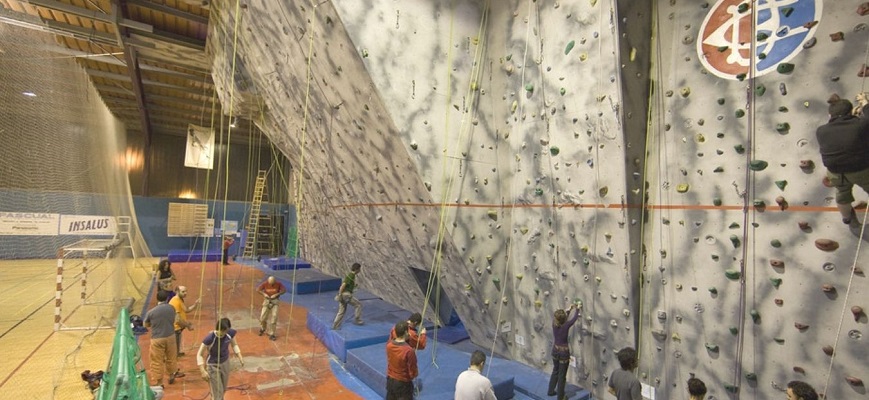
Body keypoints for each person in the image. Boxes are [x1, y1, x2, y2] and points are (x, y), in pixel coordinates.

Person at [816, 93, 869, 225]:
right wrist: (864, 103)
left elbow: (842, 135)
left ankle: (847, 217)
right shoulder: (861, 125)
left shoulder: (821, 130)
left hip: (835, 172)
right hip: (860, 170)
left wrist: (853, 118)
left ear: (830, 115)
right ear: (850, 111)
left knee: (842, 194)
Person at [197, 318, 244, 400]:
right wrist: (202, 371)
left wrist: (240, 356)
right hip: (213, 365)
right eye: (224, 331)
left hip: (225, 362)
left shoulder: (229, 333)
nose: (225, 333)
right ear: (219, 329)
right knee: (217, 392)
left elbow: (234, 345)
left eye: (227, 331)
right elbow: (199, 354)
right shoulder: (210, 338)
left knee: (223, 389)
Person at [144, 290, 183, 386]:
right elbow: (175, 319)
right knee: (171, 357)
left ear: (157, 299)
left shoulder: (151, 312)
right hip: (170, 336)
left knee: (157, 360)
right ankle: (171, 374)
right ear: (167, 299)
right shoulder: (172, 308)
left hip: (157, 338)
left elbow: (145, 324)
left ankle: (159, 382)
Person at [547, 303, 580, 399]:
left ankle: (550, 390)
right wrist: (578, 309)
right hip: (563, 353)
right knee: (562, 375)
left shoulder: (554, 323)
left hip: (555, 350)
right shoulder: (566, 325)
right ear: (564, 318)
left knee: (555, 371)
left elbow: (563, 318)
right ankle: (560, 397)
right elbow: (573, 319)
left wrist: (569, 310)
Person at [385, 321, 418, 400]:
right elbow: (412, 369)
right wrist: (414, 375)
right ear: (406, 332)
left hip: (390, 380)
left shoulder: (389, 346)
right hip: (402, 383)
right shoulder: (408, 351)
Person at [169, 285, 200, 356]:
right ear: (177, 291)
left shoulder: (180, 300)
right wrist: (188, 325)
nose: (185, 293)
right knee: (175, 346)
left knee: (177, 344)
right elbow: (177, 319)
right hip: (176, 327)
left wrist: (195, 305)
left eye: (186, 291)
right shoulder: (175, 302)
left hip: (179, 326)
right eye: (183, 291)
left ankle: (177, 353)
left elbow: (186, 310)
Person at [332, 262, 363, 329]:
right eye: (359, 269)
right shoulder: (351, 276)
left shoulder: (352, 276)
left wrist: (354, 286)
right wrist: (340, 294)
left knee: (341, 311)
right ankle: (357, 320)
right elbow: (343, 285)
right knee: (358, 305)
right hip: (346, 295)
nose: (360, 271)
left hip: (344, 294)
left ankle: (335, 326)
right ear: (357, 269)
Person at [256, 275, 286, 341]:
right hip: (267, 300)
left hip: (275, 301)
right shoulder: (265, 284)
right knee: (262, 317)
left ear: (274, 281)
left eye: (272, 283)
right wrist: (264, 294)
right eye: (270, 283)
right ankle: (263, 328)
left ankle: (272, 333)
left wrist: (277, 294)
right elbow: (258, 290)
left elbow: (284, 290)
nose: (271, 284)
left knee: (274, 317)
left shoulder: (278, 284)